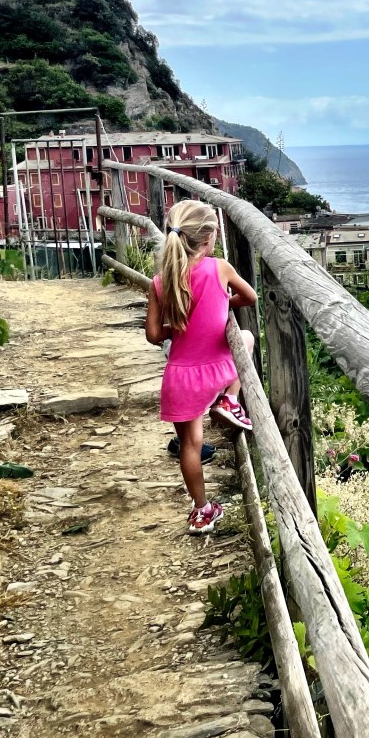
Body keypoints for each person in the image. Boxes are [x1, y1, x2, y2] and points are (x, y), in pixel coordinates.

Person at [145, 199, 257, 534]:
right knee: (247, 338)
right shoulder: (219, 268)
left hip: (180, 379)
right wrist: (223, 303)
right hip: (217, 370)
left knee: (190, 445)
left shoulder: (160, 281)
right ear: (208, 239)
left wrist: (178, 328)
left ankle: (201, 511)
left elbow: (153, 335)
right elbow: (250, 297)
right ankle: (229, 400)